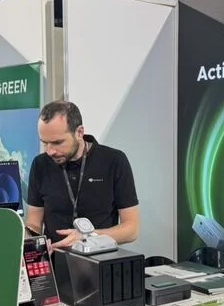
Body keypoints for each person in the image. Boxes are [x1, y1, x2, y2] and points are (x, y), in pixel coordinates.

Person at [26, 100, 139, 251]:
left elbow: (131, 229)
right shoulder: (40, 164)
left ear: (79, 133)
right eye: (45, 143)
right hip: (54, 260)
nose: (50, 151)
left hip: (99, 259)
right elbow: (34, 223)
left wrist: (89, 236)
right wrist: (30, 242)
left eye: (57, 142)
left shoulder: (114, 161)